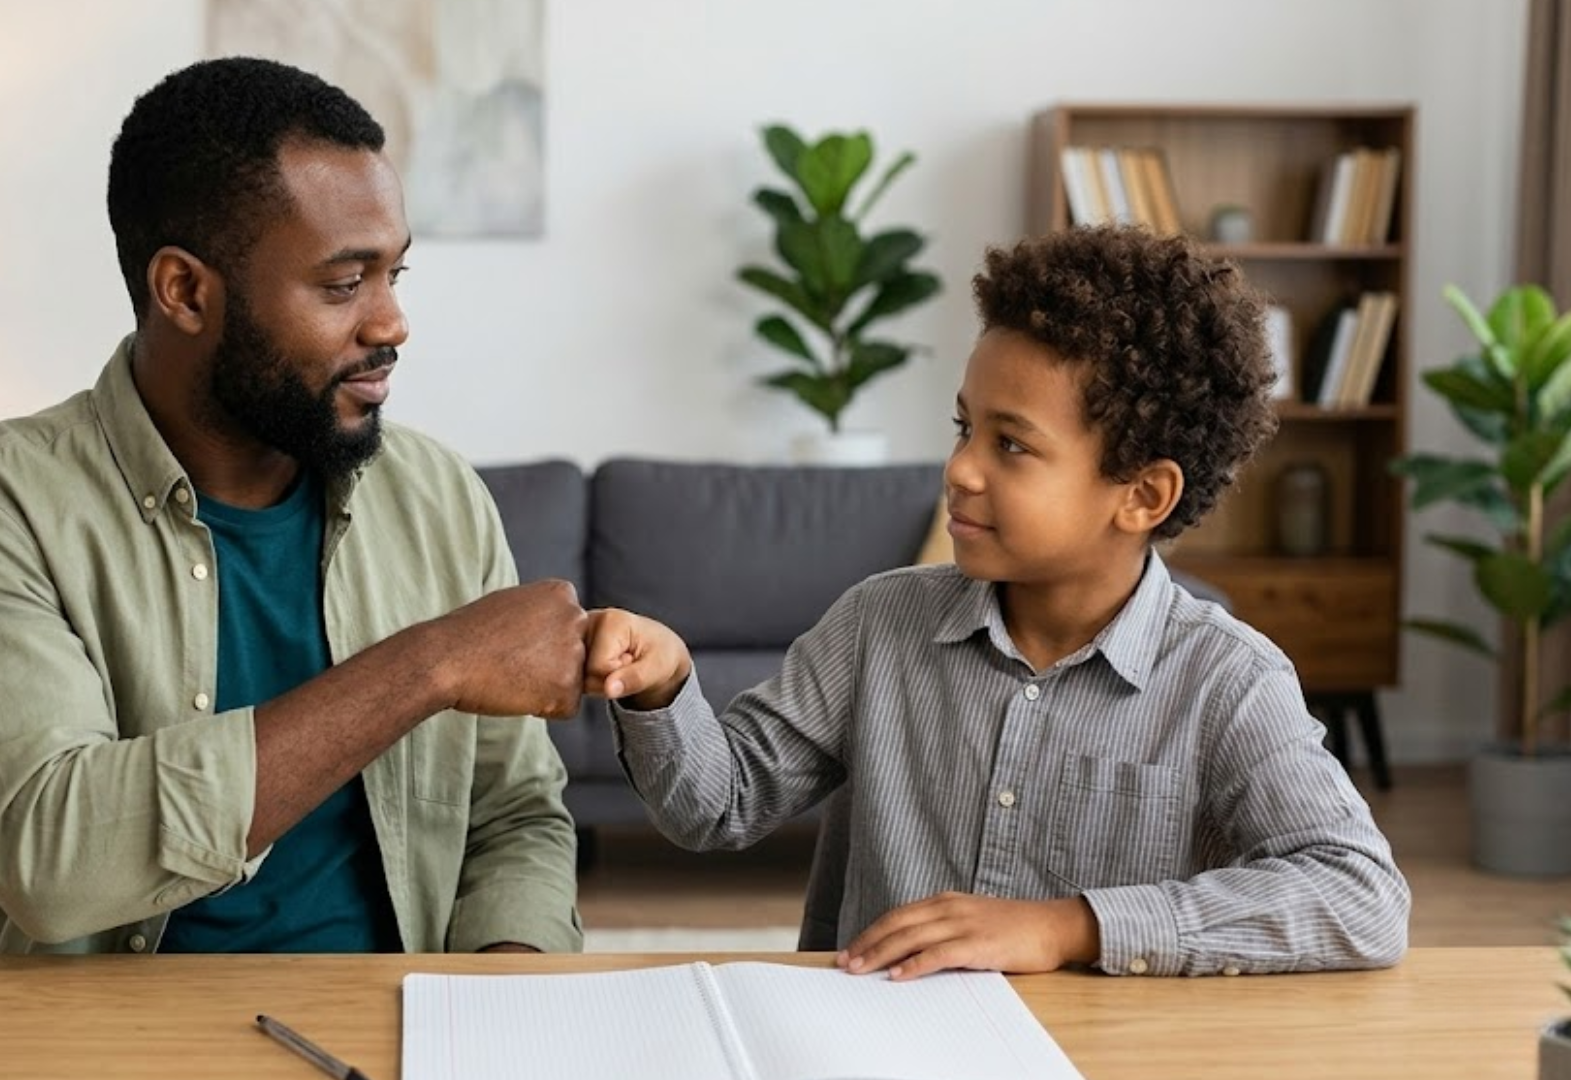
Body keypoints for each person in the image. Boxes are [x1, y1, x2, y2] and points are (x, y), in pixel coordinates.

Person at [585, 225, 1411, 979]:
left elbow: (1361, 894)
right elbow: (717, 805)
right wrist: (663, 686)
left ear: (1143, 494)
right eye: (963, 428)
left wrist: (1070, 928)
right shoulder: (879, 625)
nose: (961, 468)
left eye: (1010, 444)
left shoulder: (1226, 681)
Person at [0, 58, 585, 955]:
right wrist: (430, 666)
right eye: (344, 285)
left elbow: (515, 819)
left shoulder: (440, 498)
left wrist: (501, 995)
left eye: (394, 275)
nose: (391, 324)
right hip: (112, 1041)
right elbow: (52, 858)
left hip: (399, 1025)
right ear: (185, 291)